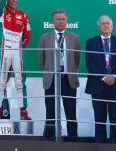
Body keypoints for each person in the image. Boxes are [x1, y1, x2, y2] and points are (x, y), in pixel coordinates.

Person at [0, 0, 31, 120]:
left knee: (20, 82)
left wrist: (19, 49)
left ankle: (23, 111)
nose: (14, 0)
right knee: (1, 83)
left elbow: (27, 36)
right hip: (4, 52)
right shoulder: (0, 14)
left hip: (17, 53)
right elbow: (0, 2)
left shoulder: (23, 15)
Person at [38, 9, 80, 142]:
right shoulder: (44, 38)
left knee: (71, 111)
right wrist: (50, 72)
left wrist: (70, 71)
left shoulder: (74, 37)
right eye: (58, 19)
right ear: (53, 21)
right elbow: (41, 60)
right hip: (52, 80)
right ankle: (50, 137)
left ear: (66, 20)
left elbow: (76, 59)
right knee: (50, 110)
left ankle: (73, 138)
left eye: (63, 19)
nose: (61, 21)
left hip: (68, 79)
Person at [85, 15, 116, 143]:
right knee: (99, 118)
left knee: (115, 119)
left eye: (107, 23)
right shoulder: (90, 42)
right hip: (98, 85)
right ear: (98, 27)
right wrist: (104, 77)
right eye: (102, 24)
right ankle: (100, 144)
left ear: (112, 26)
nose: (105, 25)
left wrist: (113, 76)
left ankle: (115, 145)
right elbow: (89, 63)